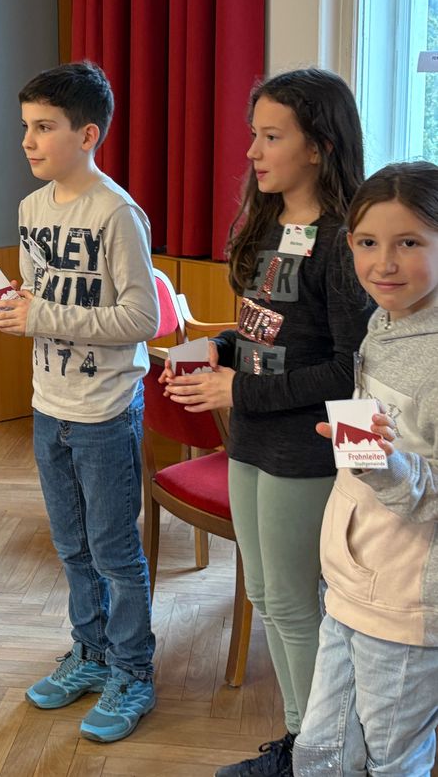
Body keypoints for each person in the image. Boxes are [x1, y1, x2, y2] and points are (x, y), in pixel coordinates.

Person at [162, 68, 374, 776]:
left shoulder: (348, 243)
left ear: (318, 145)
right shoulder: (264, 222)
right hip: (252, 439)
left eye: (272, 136)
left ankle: (322, 754)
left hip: (305, 453)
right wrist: (207, 352)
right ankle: (301, 741)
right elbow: (261, 334)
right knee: (266, 596)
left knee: (292, 603)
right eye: (254, 134)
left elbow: (350, 371)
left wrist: (239, 390)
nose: (253, 150)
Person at [0, 61, 159, 743]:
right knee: (72, 547)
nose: (28, 141)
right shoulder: (32, 210)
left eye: (45, 128)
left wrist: (44, 317)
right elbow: (43, 302)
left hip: (106, 412)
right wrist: (15, 312)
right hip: (49, 404)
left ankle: (134, 671)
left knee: (115, 551)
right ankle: (90, 653)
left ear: (87, 134)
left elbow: (141, 319)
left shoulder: (116, 213)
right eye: (25, 127)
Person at [293, 161, 438, 777]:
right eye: (369, 243)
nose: (385, 264)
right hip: (352, 580)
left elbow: (423, 492)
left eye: (409, 243)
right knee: (321, 752)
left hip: (407, 603)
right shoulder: (383, 322)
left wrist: (387, 467)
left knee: (392, 759)